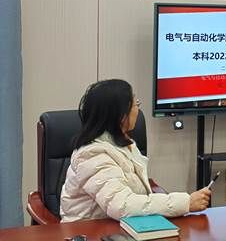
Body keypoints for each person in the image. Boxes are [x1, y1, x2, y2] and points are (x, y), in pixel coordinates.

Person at [60, 79, 211, 222]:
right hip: (87, 231)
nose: (137, 109)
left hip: (122, 225)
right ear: (121, 116)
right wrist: (185, 202)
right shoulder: (92, 155)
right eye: (135, 104)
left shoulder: (123, 143)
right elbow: (121, 205)